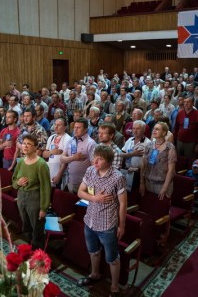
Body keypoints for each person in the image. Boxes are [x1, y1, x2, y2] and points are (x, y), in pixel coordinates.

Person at [77, 145, 127, 296]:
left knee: (112, 257)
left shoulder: (118, 177)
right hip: (90, 220)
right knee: (93, 251)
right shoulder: (90, 170)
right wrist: (94, 198)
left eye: (100, 159)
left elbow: (123, 204)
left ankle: (114, 285)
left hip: (107, 224)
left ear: (109, 161)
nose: (95, 161)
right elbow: (80, 192)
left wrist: (121, 225)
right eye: (95, 157)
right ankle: (95, 274)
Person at [12, 133, 50, 250]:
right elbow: (13, 180)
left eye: (29, 144)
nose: (25, 146)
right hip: (22, 196)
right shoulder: (21, 162)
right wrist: (18, 183)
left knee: (37, 229)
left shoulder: (41, 164)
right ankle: (27, 251)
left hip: (35, 198)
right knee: (26, 227)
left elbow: (46, 188)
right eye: (24, 143)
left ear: (35, 147)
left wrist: (43, 208)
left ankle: (38, 256)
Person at [140, 122, 177, 199]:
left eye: (157, 129)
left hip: (161, 184)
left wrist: (165, 187)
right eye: (154, 128)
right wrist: (142, 183)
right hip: (148, 182)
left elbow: (171, 170)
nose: (154, 130)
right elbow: (143, 165)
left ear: (164, 132)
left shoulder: (170, 148)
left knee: (160, 208)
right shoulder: (149, 145)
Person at [60, 118, 97, 194]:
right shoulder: (70, 140)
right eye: (75, 127)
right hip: (69, 180)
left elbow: (94, 166)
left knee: (80, 205)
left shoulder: (91, 143)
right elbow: (62, 159)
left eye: (78, 127)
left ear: (86, 129)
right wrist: (73, 158)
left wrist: (90, 184)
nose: (75, 130)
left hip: (83, 183)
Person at [42, 118, 71, 188]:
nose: (56, 126)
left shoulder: (68, 139)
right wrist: (52, 152)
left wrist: (59, 175)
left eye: (59, 125)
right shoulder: (51, 137)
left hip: (61, 174)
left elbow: (66, 161)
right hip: (50, 170)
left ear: (65, 127)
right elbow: (44, 155)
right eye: (55, 124)